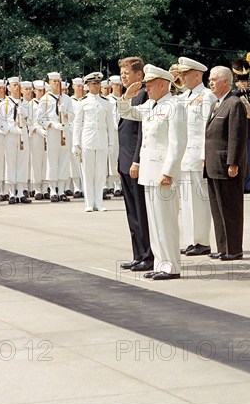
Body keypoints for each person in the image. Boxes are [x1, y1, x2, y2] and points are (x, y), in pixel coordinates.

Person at [119, 64, 188, 280]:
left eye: (150, 85)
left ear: (162, 84)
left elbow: (177, 143)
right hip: (149, 173)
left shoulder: (174, 106)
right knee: (155, 223)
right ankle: (160, 263)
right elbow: (128, 113)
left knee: (166, 222)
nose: (146, 89)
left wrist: (169, 172)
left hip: (162, 173)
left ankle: (172, 266)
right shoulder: (151, 105)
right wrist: (126, 96)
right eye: (146, 85)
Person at [204, 66, 247, 261]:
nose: (210, 82)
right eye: (210, 79)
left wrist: (233, 163)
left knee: (230, 208)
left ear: (225, 82)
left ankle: (234, 249)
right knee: (217, 208)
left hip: (226, 165)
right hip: (213, 165)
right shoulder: (217, 103)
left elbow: (236, 136)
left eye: (214, 79)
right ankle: (223, 247)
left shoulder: (234, 103)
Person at [117, 57, 153, 273]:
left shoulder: (144, 96)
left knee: (141, 212)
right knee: (132, 213)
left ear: (139, 75)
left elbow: (141, 133)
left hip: (134, 162)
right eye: (121, 73)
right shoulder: (129, 97)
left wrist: (136, 160)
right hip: (125, 161)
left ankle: (148, 255)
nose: (123, 77)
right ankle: (137, 254)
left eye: (127, 73)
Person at [177, 56, 215, 257]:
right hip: (184, 156)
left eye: (185, 74)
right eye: (181, 74)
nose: (182, 77)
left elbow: (206, 129)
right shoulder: (183, 97)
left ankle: (202, 241)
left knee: (199, 201)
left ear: (198, 74)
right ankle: (190, 240)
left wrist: (203, 157)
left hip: (197, 155)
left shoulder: (207, 96)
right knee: (187, 202)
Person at [73, 72, 115, 212]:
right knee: (88, 173)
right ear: (88, 85)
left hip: (102, 141)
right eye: (94, 84)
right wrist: (75, 144)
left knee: (101, 173)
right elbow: (77, 124)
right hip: (87, 141)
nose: (97, 86)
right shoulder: (82, 102)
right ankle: (89, 203)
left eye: (98, 84)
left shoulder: (105, 102)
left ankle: (99, 202)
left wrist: (111, 144)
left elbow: (110, 125)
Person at [37, 72, 75, 202]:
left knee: (64, 160)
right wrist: (52, 125)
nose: (56, 84)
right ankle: (53, 189)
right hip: (53, 132)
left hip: (65, 131)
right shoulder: (45, 99)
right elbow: (39, 119)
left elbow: (73, 116)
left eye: (58, 81)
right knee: (52, 160)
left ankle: (62, 189)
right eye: (54, 81)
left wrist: (65, 113)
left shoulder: (66, 99)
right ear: (49, 83)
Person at [0, 77, 32, 203]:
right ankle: (11, 192)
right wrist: (10, 129)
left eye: (18, 85)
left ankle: (21, 192)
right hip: (11, 135)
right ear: (9, 88)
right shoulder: (4, 104)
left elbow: (32, 120)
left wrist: (26, 114)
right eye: (14, 85)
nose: (16, 87)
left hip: (23, 135)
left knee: (22, 162)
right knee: (10, 163)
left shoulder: (26, 104)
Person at [231, 56, 250, 194]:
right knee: (240, 158)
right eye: (242, 81)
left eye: (246, 81)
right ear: (236, 82)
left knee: (249, 158)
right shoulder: (234, 95)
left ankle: (249, 184)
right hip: (240, 129)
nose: (244, 83)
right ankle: (241, 184)